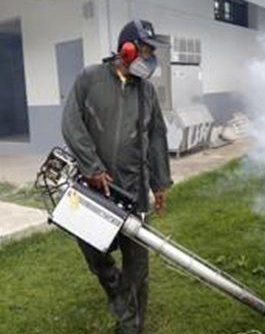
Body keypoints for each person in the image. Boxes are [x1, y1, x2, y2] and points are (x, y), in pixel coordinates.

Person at [61, 19, 173, 334]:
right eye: (146, 50)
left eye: (152, 52)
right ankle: (116, 288)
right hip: (94, 189)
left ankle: (131, 325)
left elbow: (156, 137)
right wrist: (92, 166)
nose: (149, 58)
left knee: (137, 264)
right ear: (126, 48)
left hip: (134, 191)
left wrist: (160, 182)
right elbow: (71, 123)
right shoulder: (89, 79)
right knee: (94, 252)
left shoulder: (147, 91)